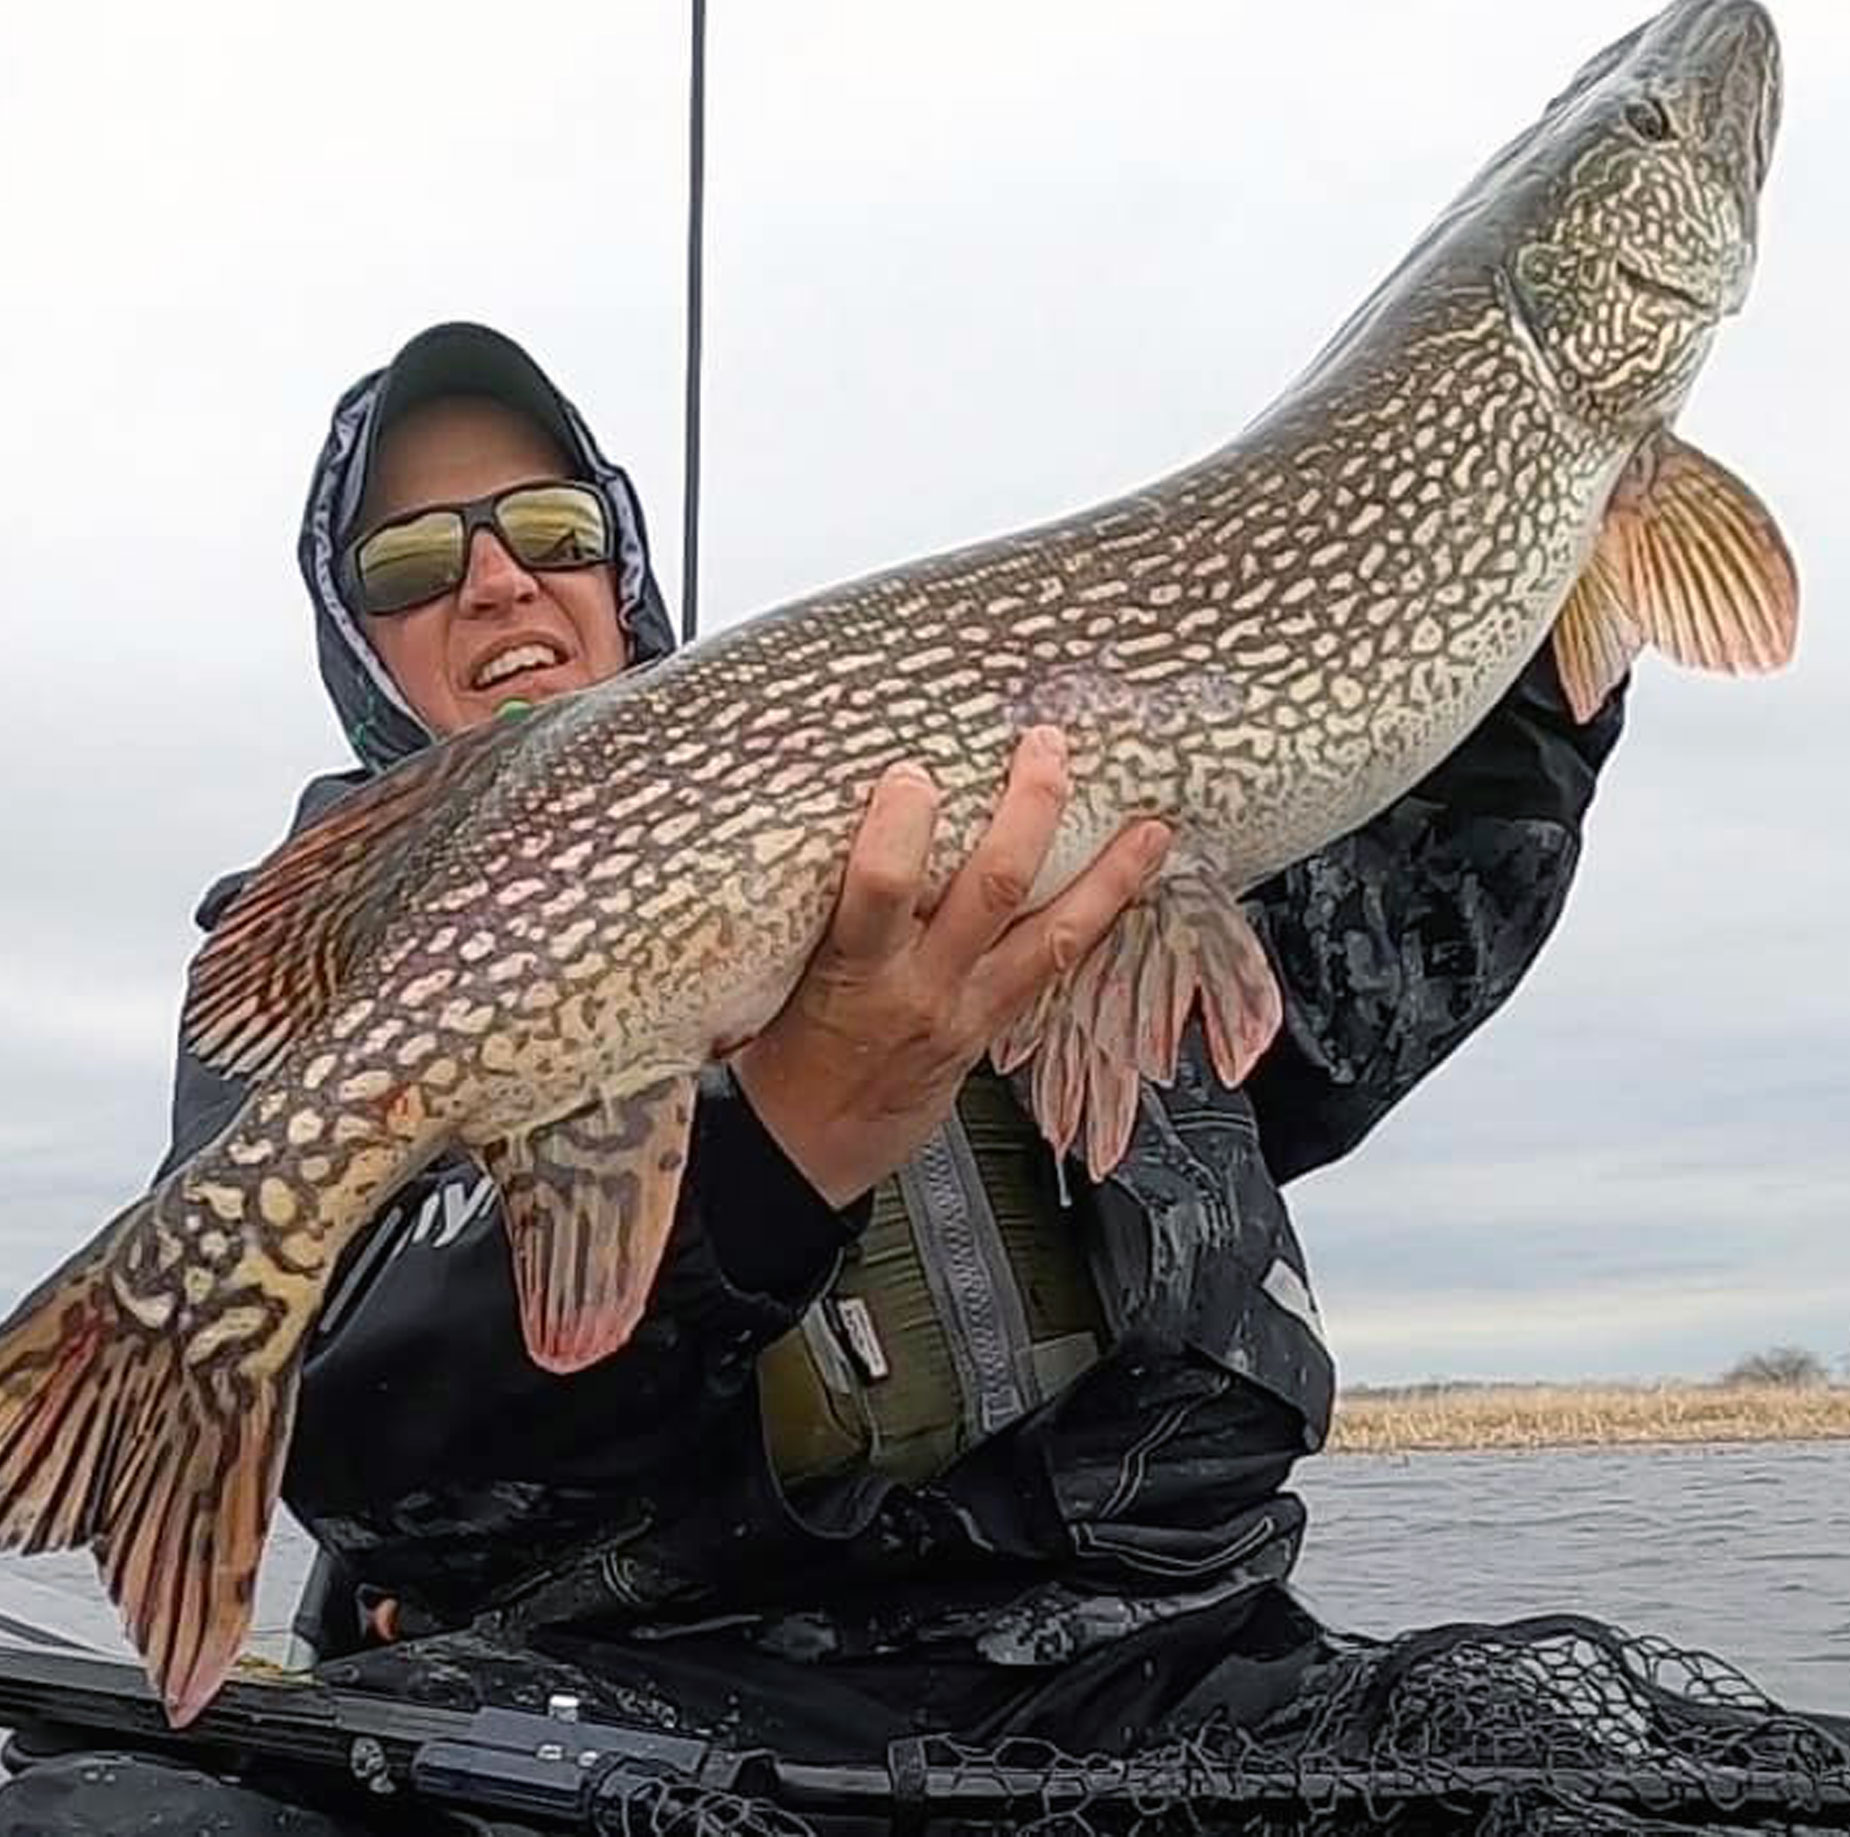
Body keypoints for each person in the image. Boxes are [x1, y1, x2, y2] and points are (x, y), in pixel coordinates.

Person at [0, 321, 1626, 1834]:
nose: (499, 579)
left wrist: (1531, 702)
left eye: (553, 528)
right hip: (656, 1693)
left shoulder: (922, 797)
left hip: (1164, 1656)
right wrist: (780, 1149)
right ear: (354, 629)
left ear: (617, 563)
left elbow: (1322, 1042)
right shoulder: (358, 933)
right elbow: (369, 1426)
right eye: (420, 558)